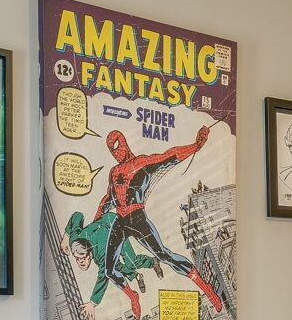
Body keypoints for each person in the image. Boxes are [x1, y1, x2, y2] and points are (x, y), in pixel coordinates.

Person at [93, 127, 224, 310]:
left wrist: (195, 146)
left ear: (123, 143)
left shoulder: (142, 162)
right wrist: (95, 222)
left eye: (116, 147)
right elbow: (108, 198)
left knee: (163, 254)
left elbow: (169, 156)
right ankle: (133, 296)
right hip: (120, 221)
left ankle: (207, 289)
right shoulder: (113, 172)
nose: (115, 153)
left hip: (137, 218)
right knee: (108, 269)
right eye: (111, 150)